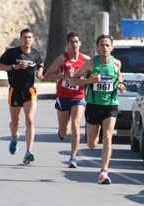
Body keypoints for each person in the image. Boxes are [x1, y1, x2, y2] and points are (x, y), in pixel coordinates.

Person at [70, 34, 126, 184]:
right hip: (94, 106)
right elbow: (73, 80)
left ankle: (104, 172)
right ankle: (96, 130)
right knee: (91, 144)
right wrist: (89, 80)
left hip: (110, 105)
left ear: (112, 48)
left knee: (108, 138)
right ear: (97, 48)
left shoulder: (116, 64)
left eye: (107, 45)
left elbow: (119, 78)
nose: (105, 48)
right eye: (102, 45)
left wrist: (121, 85)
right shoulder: (90, 64)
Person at [0, 28, 44, 164]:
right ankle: (14, 138)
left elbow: (40, 64)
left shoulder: (35, 54)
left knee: (30, 121)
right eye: (24, 37)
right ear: (20, 39)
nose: (27, 40)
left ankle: (29, 151)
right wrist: (13, 67)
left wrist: (39, 72)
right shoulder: (12, 53)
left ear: (32, 40)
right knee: (15, 123)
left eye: (29, 37)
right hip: (15, 91)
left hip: (29, 91)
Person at [43, 32, 91, 168]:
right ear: (67, 44)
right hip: (63, 96)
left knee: (76, 125)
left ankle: (73, 157)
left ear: (80, 43)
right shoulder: (62, 59)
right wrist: (64, 75)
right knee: (65, 131)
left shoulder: (86, 60)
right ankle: (61, 132)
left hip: (78, 96)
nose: (74, 44)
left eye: (76, 42)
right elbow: (47, 75)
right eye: (71, 42)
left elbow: (96, 70)